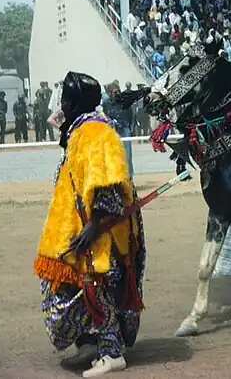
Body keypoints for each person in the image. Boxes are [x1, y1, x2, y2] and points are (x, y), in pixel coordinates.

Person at [34, 72, 144, 377]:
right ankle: (95, 342)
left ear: (71, 103)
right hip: (85, 226)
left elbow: (105, 183)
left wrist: (93, 227)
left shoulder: (94, 132)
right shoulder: (83, 129)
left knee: (97, 287)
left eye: (65, 101)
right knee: (85, 289)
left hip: (100, 230)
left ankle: (111, 354)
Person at [101, 81, 135, 178]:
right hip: (113, 131)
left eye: (118, 91)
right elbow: (105, 115)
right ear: (111, 93)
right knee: (114, 155)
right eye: (115, 92)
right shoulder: (106, 103)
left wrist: (130, 127)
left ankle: (129, 177)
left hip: (124, 130)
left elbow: (131, 114)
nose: (117, 94)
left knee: (127, 156)